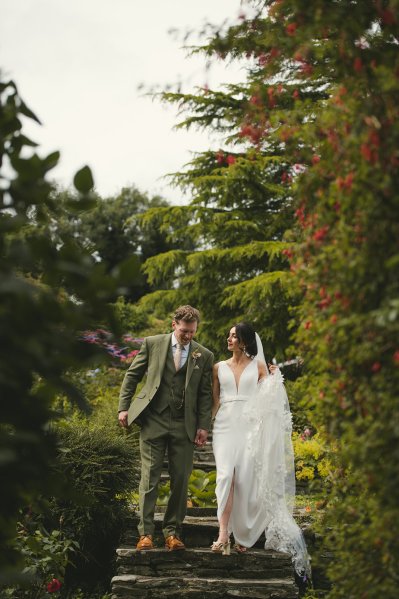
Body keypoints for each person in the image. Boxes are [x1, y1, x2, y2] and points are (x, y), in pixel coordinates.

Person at [211, 322, 310, 577]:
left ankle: (243, 533)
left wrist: (275, 377)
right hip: (223, 426)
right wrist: (204, 428)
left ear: (244, 341)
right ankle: (223, 532)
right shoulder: (218, 367)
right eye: (229, 334)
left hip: (248, 425)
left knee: (244, 478)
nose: (229, 338)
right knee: (225, 476)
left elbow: (271, 396)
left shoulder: (259, 366)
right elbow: (214, 402)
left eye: (233, 336)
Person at [118, 305, 213, 552]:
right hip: (153, 420)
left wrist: (204, 426)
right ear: (174, 325)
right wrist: (123, 408)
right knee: (149, 478)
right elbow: (132, 375)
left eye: (192, 332)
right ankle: (146, 534)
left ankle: (172, 533)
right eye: (184, 331)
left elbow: (205, 395)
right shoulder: (153, 343)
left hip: (185, 424)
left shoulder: (203, 355)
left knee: (181, 481)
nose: (188, 336)